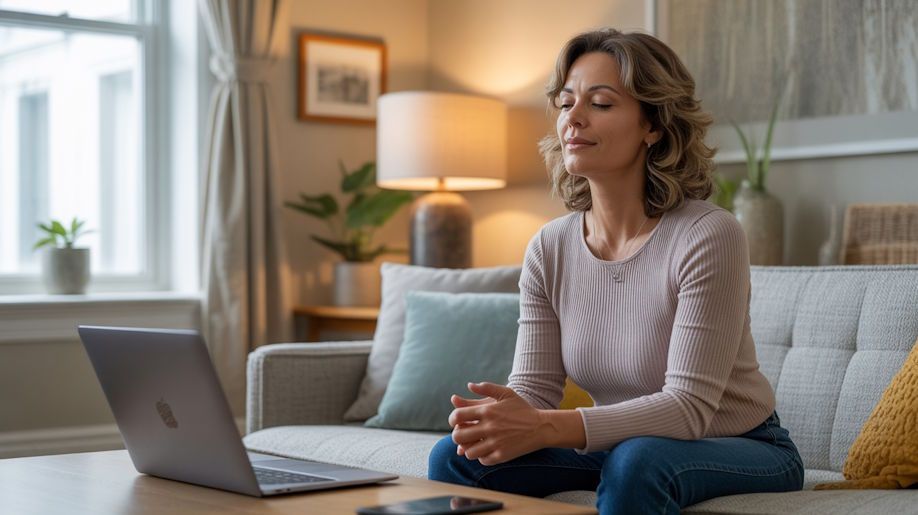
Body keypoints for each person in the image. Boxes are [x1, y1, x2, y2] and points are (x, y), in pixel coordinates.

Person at [427, 28, 805, 514]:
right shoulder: (550, 246)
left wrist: (545, 427)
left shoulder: (709, 235)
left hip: (742, 444)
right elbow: (535, 389)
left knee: (638, 461)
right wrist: (502, 418)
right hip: (618, 440)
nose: (573, 119)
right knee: (458, 457)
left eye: (600, 104)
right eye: (565, 103)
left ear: (654, 125)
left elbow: (687, 409)